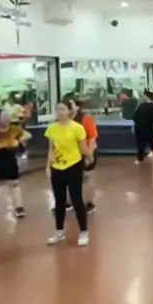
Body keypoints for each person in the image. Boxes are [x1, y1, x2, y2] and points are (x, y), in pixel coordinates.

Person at [45, 102, 92, 247]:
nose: (60, 112)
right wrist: (48, 167)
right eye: (57, 109)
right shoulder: (52, 129)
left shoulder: (77, 128)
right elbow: (51, 149)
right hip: (57, 167)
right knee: (59, 201)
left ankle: (84, 231)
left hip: (74, 166)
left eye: (63, 109)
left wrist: (90, 156)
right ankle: (59, 231)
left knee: (76, 199)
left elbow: (83, 148)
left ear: (69, 111)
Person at [0, 109, 31, 219]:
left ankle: (19, 207)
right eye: (4, 117)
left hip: (8, 158)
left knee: (14, 183)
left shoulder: (14, 129)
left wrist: (20, 140)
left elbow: (28, 135)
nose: (7, 120)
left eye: (8, 117)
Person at [133, 91, 153, 163]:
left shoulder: (141, 106)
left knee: (142, 145)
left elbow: (135, 118)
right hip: (147, 129)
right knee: (151, 145)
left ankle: (140, 159)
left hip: (142, 129)